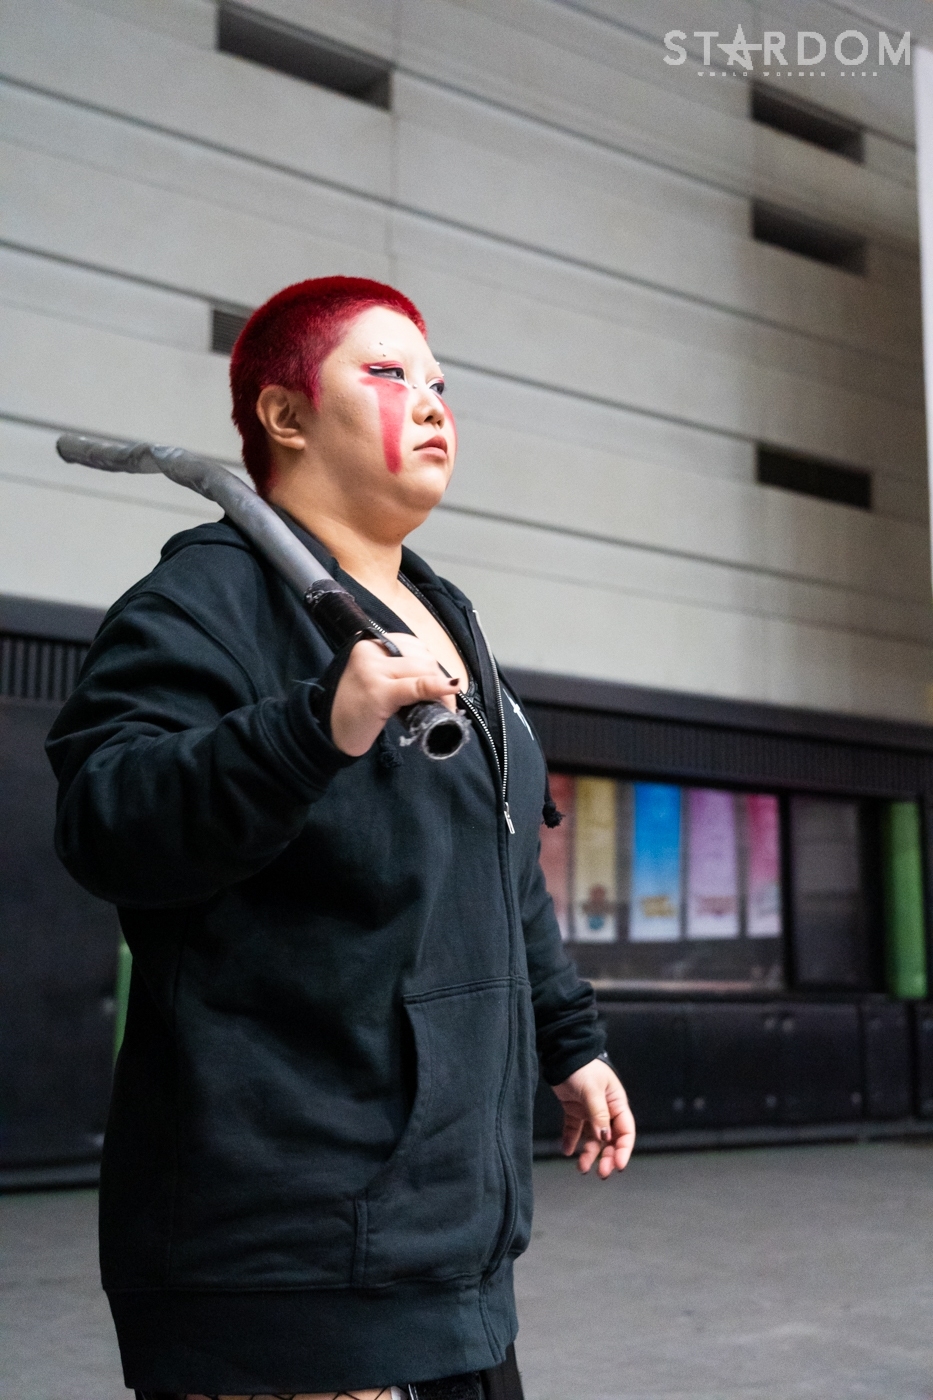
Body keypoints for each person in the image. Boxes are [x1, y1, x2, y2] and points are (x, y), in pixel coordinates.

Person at [47, 276, 635, 1400]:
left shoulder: (446, 618)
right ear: (285, 414)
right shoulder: (205, 601)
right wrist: (310, 727)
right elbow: (106, 819)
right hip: (282, 1263)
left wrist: (570, 1039)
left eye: (440, 382)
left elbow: (500, 868)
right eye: (388, 373)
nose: (433, 402)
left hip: (449, 1252)